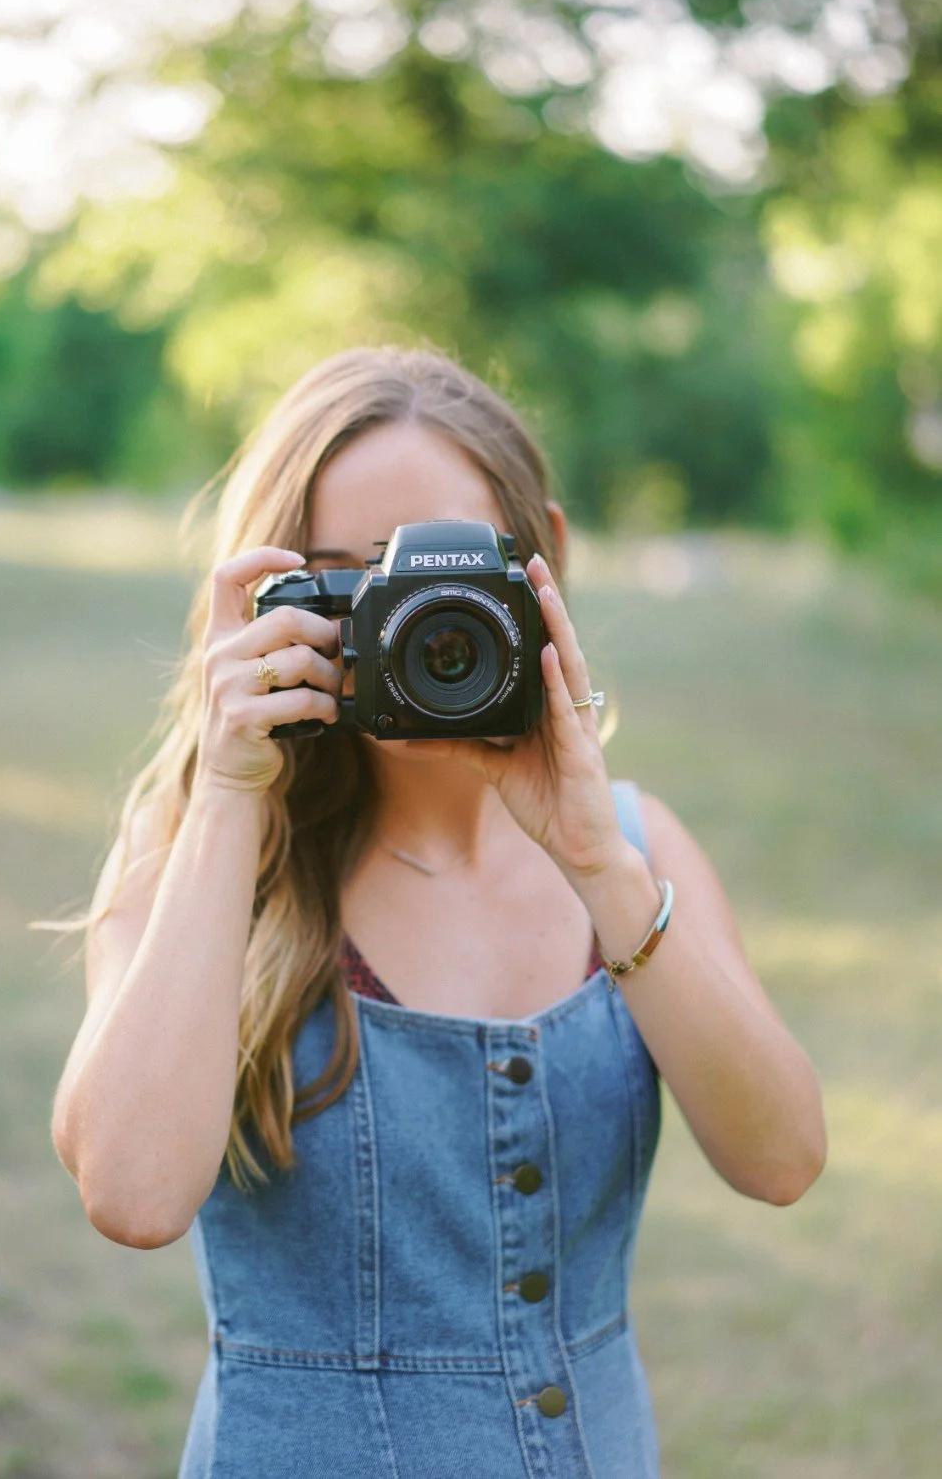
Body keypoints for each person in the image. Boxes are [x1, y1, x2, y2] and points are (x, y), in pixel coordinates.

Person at [49, 344, 827, 1478]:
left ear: (544, 558)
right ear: (273, 600)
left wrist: (597, 863)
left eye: (442, 571)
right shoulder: (199, 855)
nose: (411, 620)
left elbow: (783, 1162)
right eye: (350, 580)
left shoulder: (639, 848)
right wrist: (227, 796)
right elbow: (130, 1193)